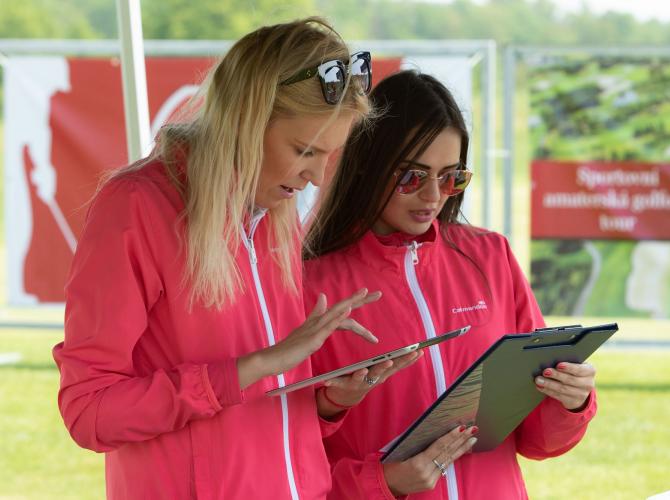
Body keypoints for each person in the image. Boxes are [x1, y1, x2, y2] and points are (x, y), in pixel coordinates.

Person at [52, 18, 419, 499]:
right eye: (304, 150)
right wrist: (253, 367)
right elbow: (90, 412)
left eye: (327, 156)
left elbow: (260, 422)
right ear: (246, 120)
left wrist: (327, 400)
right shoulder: (138, 206)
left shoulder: (273, 217)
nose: (314, 176)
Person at [302, 70, 598, 499]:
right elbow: (287, 453)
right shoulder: (311, 283)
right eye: (412, 177)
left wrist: (571, 401)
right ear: (368, 165)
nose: (433, 196)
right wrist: (382, 483)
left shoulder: (491, 257)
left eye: (451, 177)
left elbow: (538, 440)